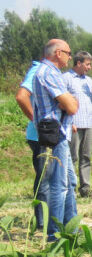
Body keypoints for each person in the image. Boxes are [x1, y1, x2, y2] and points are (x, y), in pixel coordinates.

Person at [32, 39, 79, 239]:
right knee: (59, 186)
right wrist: (68, 102)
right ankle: (55, 233)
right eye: (68, 53)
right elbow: (72, 106)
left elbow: (70, 103)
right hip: (56, 133)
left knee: (69, 183)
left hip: (60, 132)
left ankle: (71, 229)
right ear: (58, 53)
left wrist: (68, 102)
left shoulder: (48, 72)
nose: (70, 56)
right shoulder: (49, 73)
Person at [64, 51, 92, 198]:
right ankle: (70, 188)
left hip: (88, 123)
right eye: (87, 64)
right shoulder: (66, 79)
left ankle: (85, 187)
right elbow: (62, 102)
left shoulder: (88, 80)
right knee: (72, 157)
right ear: (79, 63)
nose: (89, 67)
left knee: (86, 156)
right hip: (74, 124)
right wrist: (69, 121)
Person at [15, 59, 49, 229]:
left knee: (49, 178)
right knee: (44, 179)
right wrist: (37, 122)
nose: (70, 58)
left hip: (48, 135)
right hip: (39, 136)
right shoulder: (38, 70)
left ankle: (50, 219)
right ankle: (42, 223)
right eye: (68, 53)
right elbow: (21, 96)